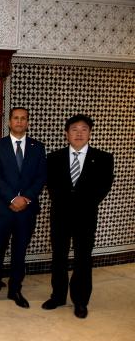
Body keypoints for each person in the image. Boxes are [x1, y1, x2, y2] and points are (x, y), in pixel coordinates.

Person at [43, 114, 114, 319]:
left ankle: (81, 301)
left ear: (90, 133)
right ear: (67, 134)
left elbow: (103, 187)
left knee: (83, 259)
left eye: (84, 129)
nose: (79, 133)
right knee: (59, 258)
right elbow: (52, 187)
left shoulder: (103, 158)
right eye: (74, 129)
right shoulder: (54, 158)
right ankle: (57, 296)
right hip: (60, 216)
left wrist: (81, 205)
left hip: (86, 217)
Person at [0, 107, 46, 308]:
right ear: (9, 122)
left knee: (20, 251)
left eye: (23, 119)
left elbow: (40, 177)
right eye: (16, 118)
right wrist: (12, 198)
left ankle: (15, 290)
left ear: (27, 122)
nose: (19, 122)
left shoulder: (38, 147)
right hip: (3, 209)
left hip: (26, 210)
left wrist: (25, 198)